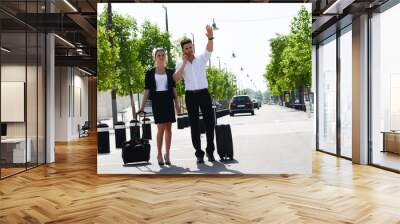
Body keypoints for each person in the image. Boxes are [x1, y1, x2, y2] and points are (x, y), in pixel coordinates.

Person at [173, 25, 215, 163]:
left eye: (191, 47)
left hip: (204, 93)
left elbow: (209, 50)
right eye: (186, 48)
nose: (189, 50)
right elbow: (175, 78)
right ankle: (199, 153)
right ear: (183, 50)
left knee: (209, 123)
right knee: (194, 125)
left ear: (193, 48)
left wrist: (210, 37)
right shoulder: (180, 63)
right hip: (190, 96)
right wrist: (184, 63)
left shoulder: (201, 59)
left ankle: (210, 151)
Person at [139, 48, 180, 166]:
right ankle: (159, 154)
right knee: (160, 129)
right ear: (155, 57)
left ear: (165, 57)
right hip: (157, 102)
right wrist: (142, 107)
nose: (161, 57)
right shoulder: (150, 73)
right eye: (159, 55)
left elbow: (173, 90)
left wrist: (177, 105)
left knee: (169, 129)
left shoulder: (170, 72)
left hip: (168, 101)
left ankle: (167, 154)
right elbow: (146, 90)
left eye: (163, 55)